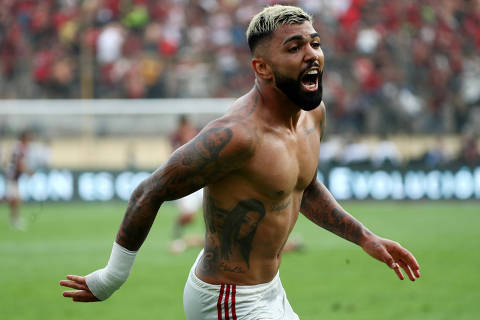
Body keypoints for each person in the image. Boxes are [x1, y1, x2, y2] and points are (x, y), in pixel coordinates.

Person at [60, 5, 420, 319]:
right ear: (262, 68)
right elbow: (148, 191)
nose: (312, 54)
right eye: (294, 48)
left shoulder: (313, 115)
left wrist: (365, 237)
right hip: (227, 299)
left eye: (315, 43)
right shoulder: (237, 136)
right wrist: (111, 277)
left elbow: (303, 187)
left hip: (269, 291)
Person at [168, 115, 204, 253]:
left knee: (211, 209)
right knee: (189, 217)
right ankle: (177, 233)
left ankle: (211, 238)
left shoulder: (198, 136)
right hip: (185, 183)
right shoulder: (175, 140)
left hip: (201, 181)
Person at [4, 130, 33, 230]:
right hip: (12, 176)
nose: (30, 139)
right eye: (29, 137)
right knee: (13, 199)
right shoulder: (21, 148)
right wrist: (28, 172)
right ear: (24, 138)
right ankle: (15, 220)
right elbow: (19, 163)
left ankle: (14, 220)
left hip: (12, 175)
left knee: (13, 199)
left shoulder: (16, 146)